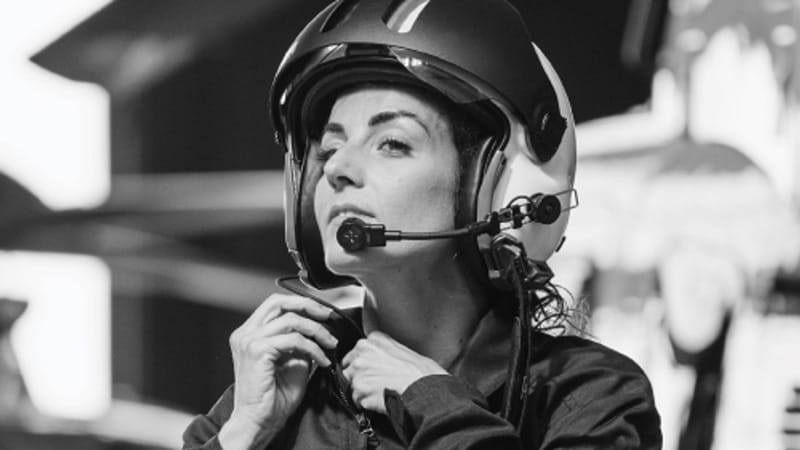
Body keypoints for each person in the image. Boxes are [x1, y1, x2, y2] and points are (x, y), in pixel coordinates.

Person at [182, 0, 662, 448]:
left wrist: (432, 401)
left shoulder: (586, 394)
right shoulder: (276, 393)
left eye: (392, 142)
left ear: (503, 186)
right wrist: (241, 432)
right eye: (328, 150)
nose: (335, 169)